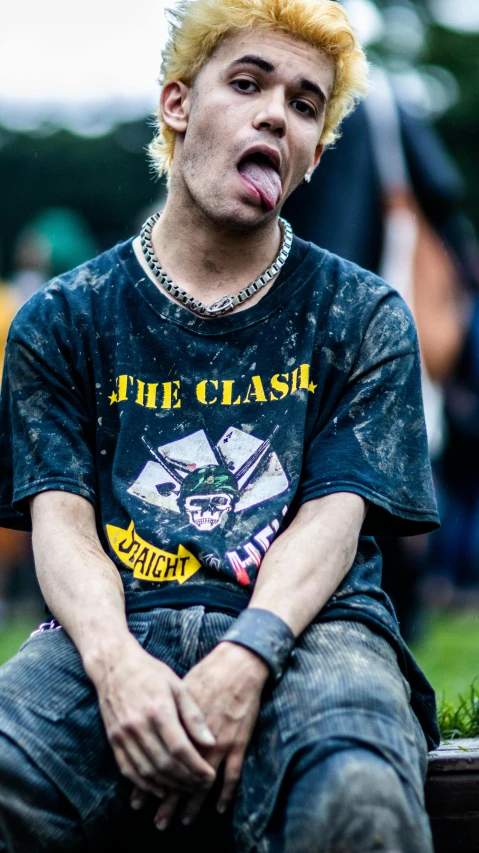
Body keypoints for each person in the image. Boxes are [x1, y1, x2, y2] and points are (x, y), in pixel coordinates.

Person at [0, 0, 440, 850]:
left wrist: (245, 657)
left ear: (311, 154)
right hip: (108, 623)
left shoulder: (362, 313)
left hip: (316, 628)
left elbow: (334, 516)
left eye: (305, 104)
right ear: (177, 105)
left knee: (357, 799)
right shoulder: (61, 318)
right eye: (247, 82)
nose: (276, 111)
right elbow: (62, 522)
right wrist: (117, 665)